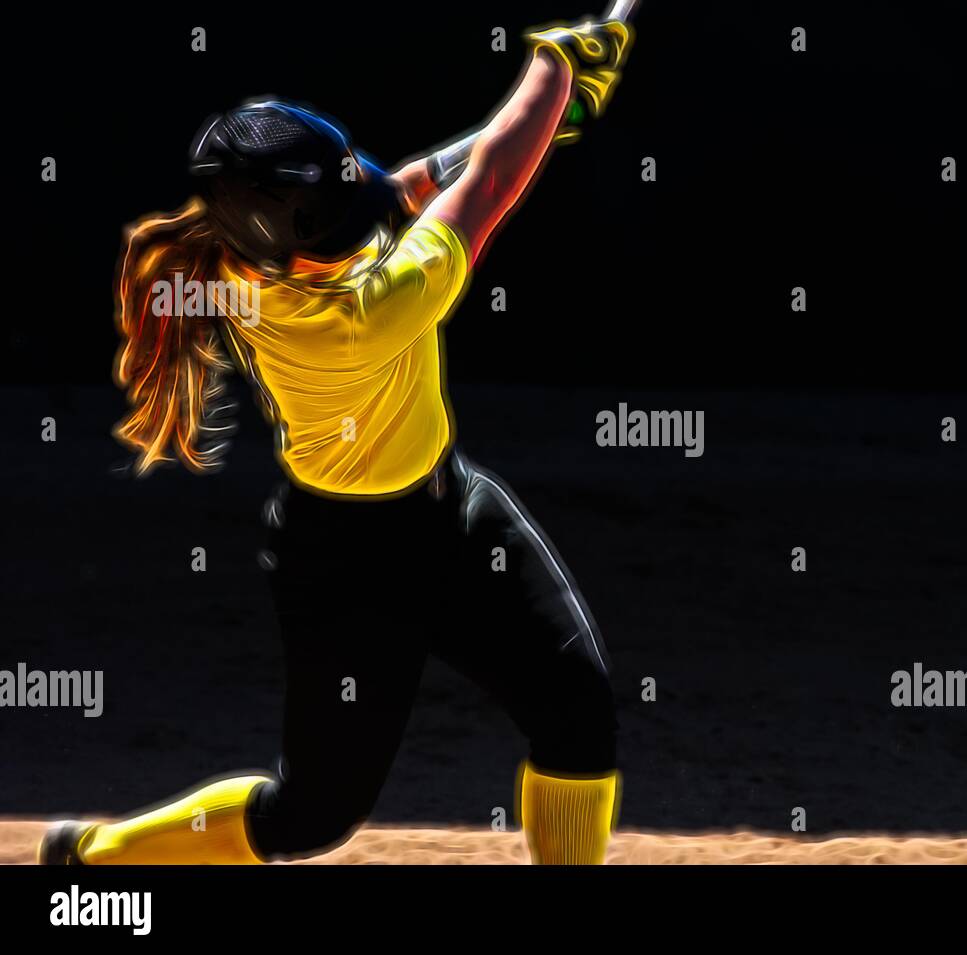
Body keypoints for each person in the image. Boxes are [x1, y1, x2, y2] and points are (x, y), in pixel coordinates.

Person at [40, 16, 633, 866]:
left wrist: (549, 116)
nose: (366, 214)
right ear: (289, 236)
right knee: (310, 817)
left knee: (577, 712)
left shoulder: (264, 253)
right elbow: (490, 182)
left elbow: (405, 187)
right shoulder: (358, 314)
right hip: (349, 564)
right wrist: (553, 69)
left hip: (453, 511)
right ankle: (95, 856)